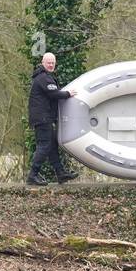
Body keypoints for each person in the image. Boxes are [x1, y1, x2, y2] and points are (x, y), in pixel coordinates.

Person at [27, 52, 79, 186]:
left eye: (52, 63)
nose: (51, 65)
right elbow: (54, 93)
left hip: (44, 117)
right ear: (43, 62)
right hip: (42, 118)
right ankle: (32, 175)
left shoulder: (44, 77)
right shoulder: (43, 78)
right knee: (44, 145)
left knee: (52, 146)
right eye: (48, 62)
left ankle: (60, 174)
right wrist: (68, 94)